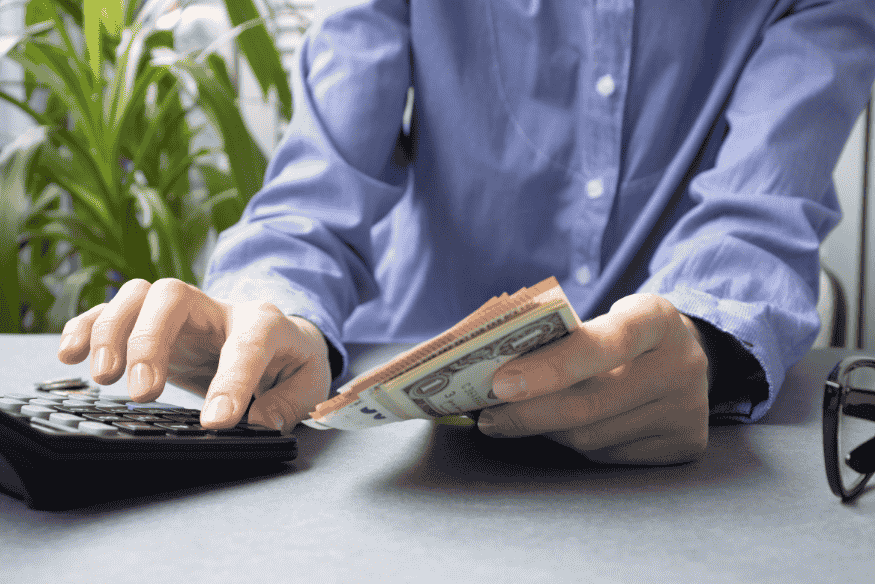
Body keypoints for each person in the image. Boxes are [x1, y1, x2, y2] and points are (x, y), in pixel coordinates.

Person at [58, 0, 875, 465]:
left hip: (668, 446)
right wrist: (271, 308)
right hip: (379, 444)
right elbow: (311, 198)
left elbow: (762, 208)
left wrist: (701, 337)